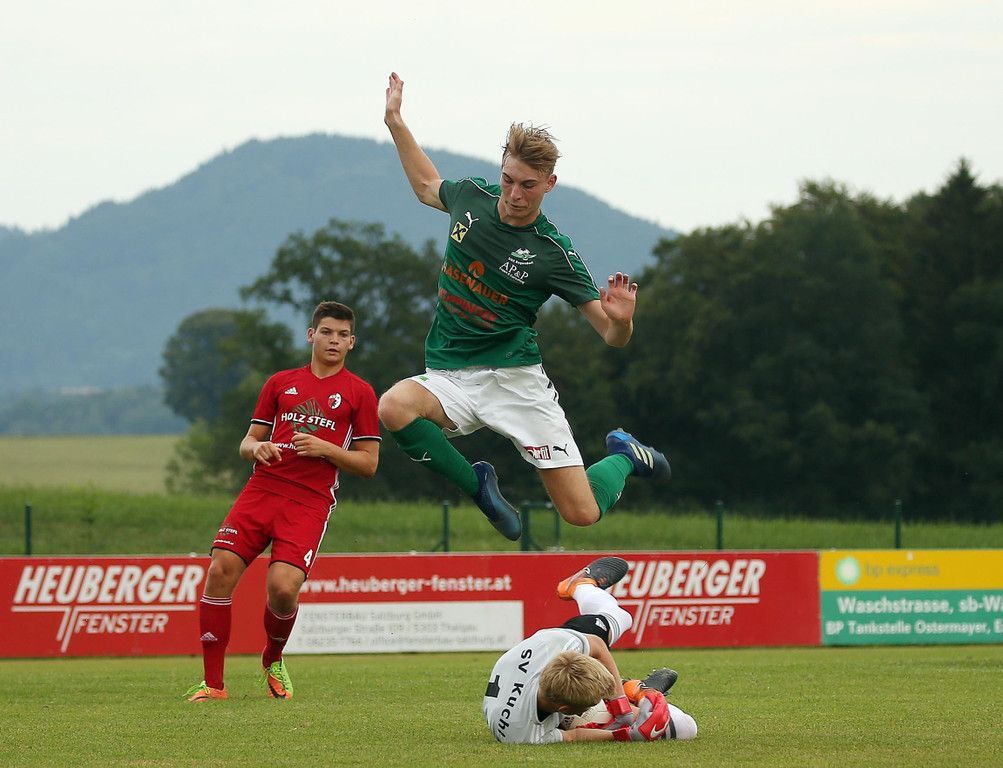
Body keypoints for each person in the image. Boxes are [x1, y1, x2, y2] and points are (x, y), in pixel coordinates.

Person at [380, 72, 671, 542]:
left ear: (550, 184)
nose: (515, 195)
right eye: (509, 180)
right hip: (451, 374)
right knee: (393, 407)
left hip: (515, 382)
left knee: (581, 513)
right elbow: (426, 184)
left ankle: (625, 456)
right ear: (500, 170)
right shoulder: (471, 198)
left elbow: (610, 335)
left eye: (529, 186)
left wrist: (623, 322)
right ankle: (478, 484)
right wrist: (395, 121)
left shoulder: (553, 253)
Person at [185, 301, 381, 702]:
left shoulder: (360, 392)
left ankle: (272, 659)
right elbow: (248, 441)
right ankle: (213, 685)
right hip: (263, 489)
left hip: (309, 501)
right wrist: (256, 449)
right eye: (327, 332)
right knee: (220, 569)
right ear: (311, 335)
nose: (334, 340)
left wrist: (326, 449)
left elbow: (369, 464)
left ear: (352, 342)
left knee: (283, 588)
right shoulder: (280, 383)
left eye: (343, 335)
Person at [482, 556, 699, 743]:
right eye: (592, 703)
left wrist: (620, 708)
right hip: (535, 685)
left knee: (621, 618)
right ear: (565, 708)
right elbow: (573, 735)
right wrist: (625, 734)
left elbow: (597, 645)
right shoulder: (524, 734)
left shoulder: (558, 646)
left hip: (547, 645)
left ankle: (581, 586)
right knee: (683, 728)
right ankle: (635, 689)